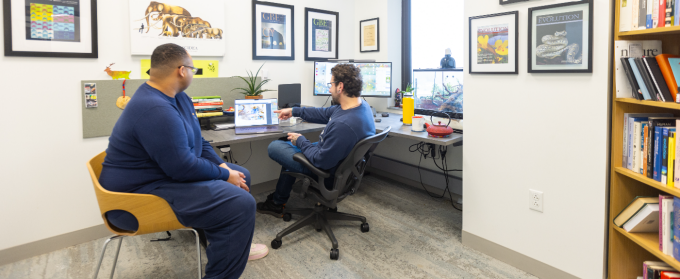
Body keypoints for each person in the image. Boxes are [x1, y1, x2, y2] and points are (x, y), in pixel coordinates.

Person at [99, 43, 266, 279]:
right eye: (193, 70)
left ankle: (228, 247)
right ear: (181, 70)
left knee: (241, 175)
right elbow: (182, 167)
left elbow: (200, 143)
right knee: (241, 203)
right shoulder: (154, 107)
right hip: (135, 198)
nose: (193, 74)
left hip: (161, 177)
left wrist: (223, 167)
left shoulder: (179, 98)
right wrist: (224, 176)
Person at [257, 64, 376, 216]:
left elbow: (321, 161)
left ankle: (277, 202)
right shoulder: (360, 106)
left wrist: (300, 141)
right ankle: (277, 202)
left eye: (331, 84)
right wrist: (293, 111)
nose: (329, 89)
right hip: (336, 161)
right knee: (289, 148)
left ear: (340, 86)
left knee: (275, 146)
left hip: (324, 172)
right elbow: (323, 113)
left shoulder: (343, 125)